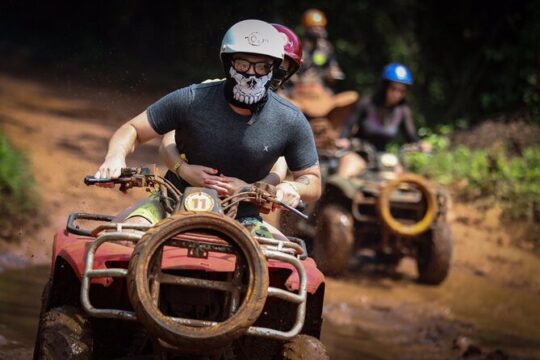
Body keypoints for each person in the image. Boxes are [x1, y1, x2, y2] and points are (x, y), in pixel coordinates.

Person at [95, 19, 321, 237]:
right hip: (169, 200)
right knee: (126, 237)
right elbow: (133, 128)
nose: (251, 74)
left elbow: (311, 180)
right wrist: (114, 158)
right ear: (227, 63)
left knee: (284, 267)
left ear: (274, 69)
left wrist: (289, 189)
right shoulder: (192, 99)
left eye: (262, 67)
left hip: (245, 217)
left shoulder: (289, 118)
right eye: (242, 64)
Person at [336, 63, 429, 178]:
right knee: (345, 175)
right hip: (358, 153)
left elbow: (410, 135)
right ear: (385, 87)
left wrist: (419, 144)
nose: (397, 94)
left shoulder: (403, 111)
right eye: (393, 88)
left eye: (402, 90)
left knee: (403, 179)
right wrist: (343, 139)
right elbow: (348, 125)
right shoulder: (367, 103)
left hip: (383, 158)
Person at [293, 9, 344, 89]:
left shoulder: (326, 48)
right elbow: (290, 76)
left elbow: (334, 68)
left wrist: (333, 74)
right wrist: (300, 80)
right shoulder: (296, 48)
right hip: (300, 90)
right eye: (316, 28)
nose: (321, 30)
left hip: (320, 89)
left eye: (322, 27)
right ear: (306, 28)